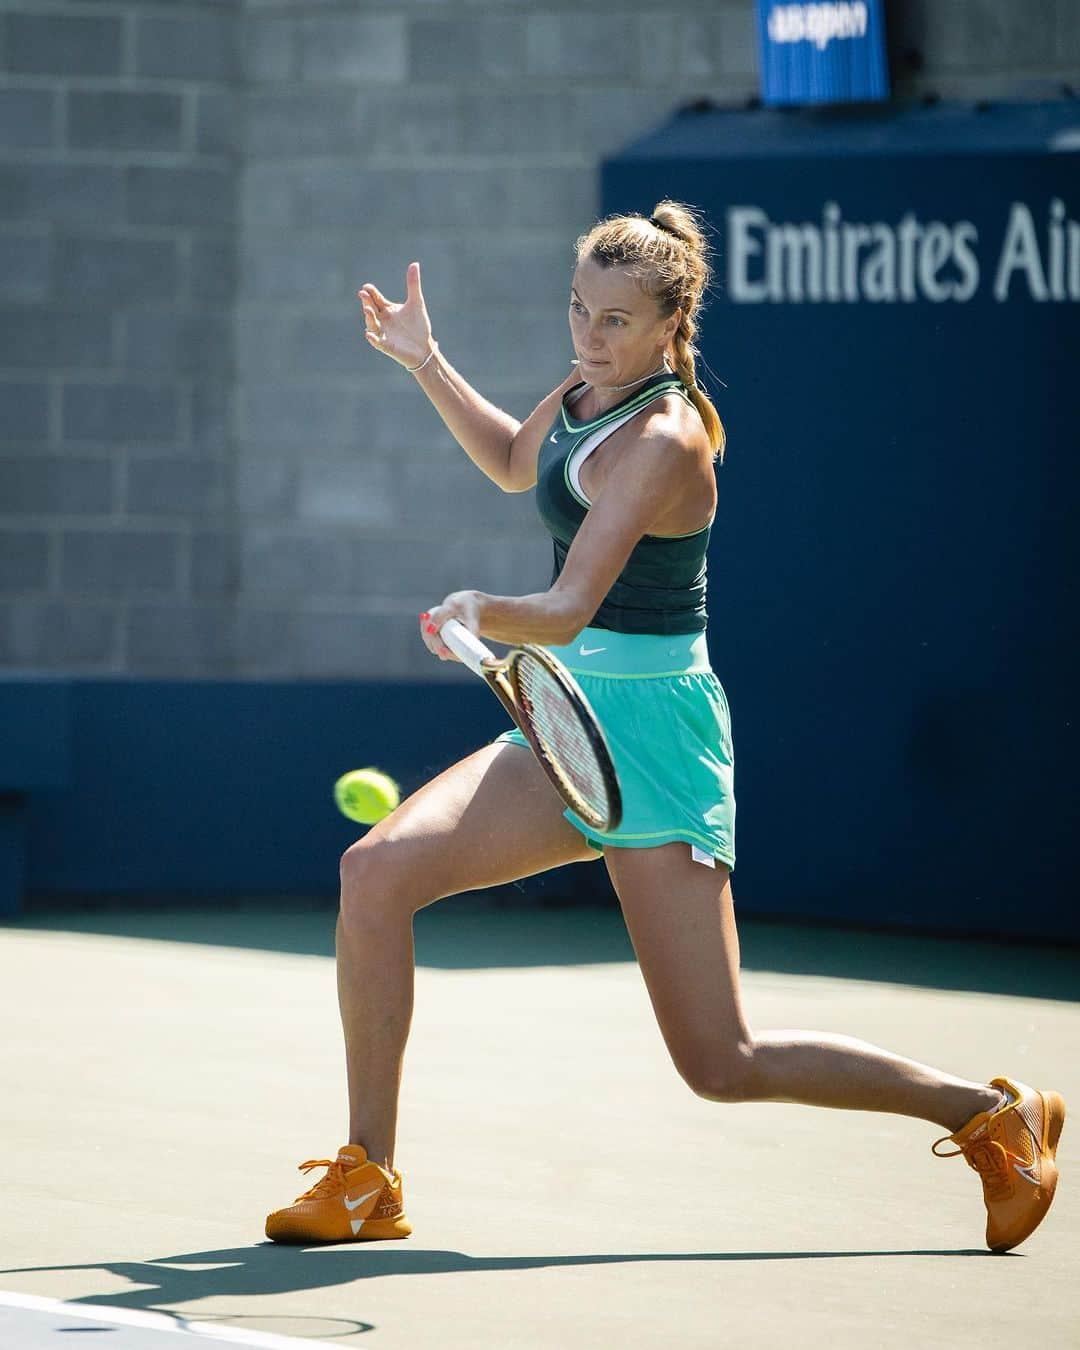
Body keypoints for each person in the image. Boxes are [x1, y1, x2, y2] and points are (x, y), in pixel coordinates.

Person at [264, 201, 1065, 1254]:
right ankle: (368, 1176)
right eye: (578, 309)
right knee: (374, 873)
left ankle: (985, 1113)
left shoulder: (667, 438)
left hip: (656, 740)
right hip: (563, 723)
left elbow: (567, 609)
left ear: (667, 324)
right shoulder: (587, 387)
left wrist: (478, 611)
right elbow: (516, 461)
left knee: (720, 1062)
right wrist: (426, 361)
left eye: (613, 321)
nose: (588, 335)